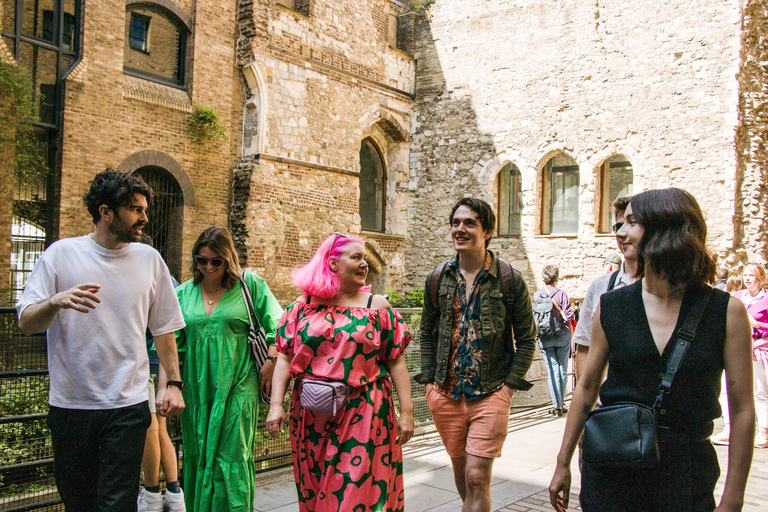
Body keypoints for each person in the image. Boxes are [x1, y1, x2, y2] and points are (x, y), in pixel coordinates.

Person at [549, 188, 755, 512]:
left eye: (632, 221)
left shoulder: (726, 312)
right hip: (613, 469)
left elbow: (743, 410)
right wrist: (562, 462)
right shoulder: (612, 306)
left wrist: (733, 499)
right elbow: (587, 388)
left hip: (686, 476)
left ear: (665, 228)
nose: (620, 231)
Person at [15, 169, 186, 511]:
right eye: (136, 209)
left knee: (117, 503)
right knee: (78, 501)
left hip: (127, 404)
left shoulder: (150, 259)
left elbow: (164, 329)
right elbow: (25, 322)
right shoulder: (61, 254)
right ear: (106, 212)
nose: (145, 217)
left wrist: (174, 383)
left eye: (144, 209)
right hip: (71, 405)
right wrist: (54, 301)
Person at [266, 232, 414, 512]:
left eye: (365, 259)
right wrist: (276, 405)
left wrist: (406, 412)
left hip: (364, 412)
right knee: (315, 489)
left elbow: (396, 361)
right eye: (356, 257)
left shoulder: (376, 306)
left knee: (352, 493)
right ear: (333, 264)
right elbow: (284, 358)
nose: (364, 264)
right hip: (310, 414)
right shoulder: (302, 305)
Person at [416, 198, 537, 512]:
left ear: (488, 232)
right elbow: (426, 334)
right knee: (462, 475)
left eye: (469, 223)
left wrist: (509, 388)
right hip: (445, 393)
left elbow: (527, 339)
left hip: (491, 392)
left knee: (475, 476)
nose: (460, 229)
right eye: (456, 223)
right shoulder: (437, 278)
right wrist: (429, 383)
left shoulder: (509, 279)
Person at [173, 226, 283, 512]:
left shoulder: (250, 285)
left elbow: (281, 324)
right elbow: (170, 344)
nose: (208, 267)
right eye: (201, 260)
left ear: (228, 259)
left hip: (239, 384)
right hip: (198, 390)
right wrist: (169, 385)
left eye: (216, 261)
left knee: (233, 456)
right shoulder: (184, 293)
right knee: (198, 455)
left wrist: (271, 362)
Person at [137, 233, 185, 512]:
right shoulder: (173, 282)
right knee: (161, 428)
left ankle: (152, 492)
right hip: (165, 364)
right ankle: (174, 492)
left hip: (149, 362)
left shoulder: (146, 277)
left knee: (150, 427)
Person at [573, 196, 638, 381]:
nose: (621, 233)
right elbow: (585, 347)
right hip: (606, 404)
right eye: (617, 226)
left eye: (631, 224)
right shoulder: (601, 287)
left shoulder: (663, 290)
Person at [712, 262, 768, 448]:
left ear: (761, 278)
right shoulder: (737, 296)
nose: (748, 278)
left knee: (759, 391)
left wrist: (757, 325)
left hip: (758, 350)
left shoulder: (766, 299)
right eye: (745, 275)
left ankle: (764, 432)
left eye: (752, 275)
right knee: (727, 389)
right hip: (734, 348)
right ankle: (729, 429)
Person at [534, 265, 575, 416]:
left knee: (552, 370)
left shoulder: (537, 295)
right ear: (556, 278)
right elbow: (569, 317)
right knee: (562, 369)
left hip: (545, 336)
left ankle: (556, 405)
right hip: (562, 334)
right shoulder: (562, 295)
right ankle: (561, 404)